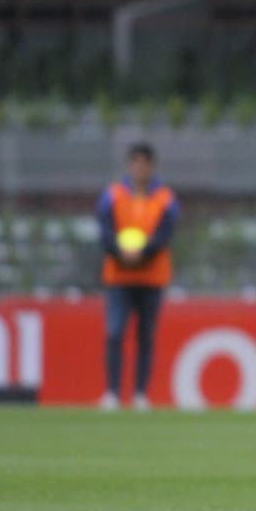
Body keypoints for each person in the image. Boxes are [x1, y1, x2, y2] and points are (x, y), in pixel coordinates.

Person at [95, 142, 179, 411]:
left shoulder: (165, 198)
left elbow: (165, 234)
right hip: (119, 277)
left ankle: (141, 394)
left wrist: (143, 252)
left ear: (151, 167)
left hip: (151, 277)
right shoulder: (113, 195)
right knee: (115, 333)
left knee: (145, 337)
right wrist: (121, 252)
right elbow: (105, 231)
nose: (140, 168)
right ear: (130, 166)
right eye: (136, 163)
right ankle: (112, 393)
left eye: (145, 164)